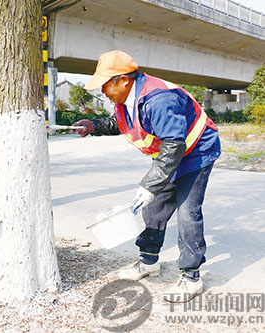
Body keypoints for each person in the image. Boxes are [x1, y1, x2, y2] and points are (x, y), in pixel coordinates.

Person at [73, 50, 221, 302]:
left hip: (195, 153)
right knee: (153, 210)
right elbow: (121, 122)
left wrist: (150, 184)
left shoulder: (159, 99)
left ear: (123, 80)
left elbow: (174, 146)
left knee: (187, 212)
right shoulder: (126, 100)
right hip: (170, 155)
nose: (102, 92)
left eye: (105, 84)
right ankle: (149, 262)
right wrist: (94, 126)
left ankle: (191, 277)